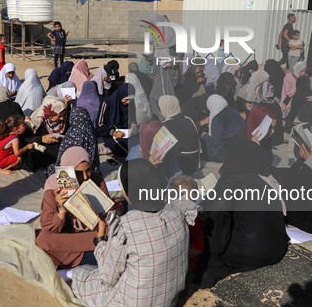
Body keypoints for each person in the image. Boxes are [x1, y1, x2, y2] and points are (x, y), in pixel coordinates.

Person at [72, 158, 197, 307]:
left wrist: (100, 238)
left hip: (130, 302)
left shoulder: (126, 227)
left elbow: (107, 278)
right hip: (168, 300)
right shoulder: (179, 211)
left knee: (81, 274)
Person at [201, 139, 289, 288]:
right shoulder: (264, 181)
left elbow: (217, 234)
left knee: (204, 262)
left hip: (249, 255)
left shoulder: (232, 182)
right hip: (277, 249)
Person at [36, 147, 111, 268]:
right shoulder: (52, 187)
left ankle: (69, 264)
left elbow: (108, 220)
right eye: (79, 173)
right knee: (43, 239)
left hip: (96, 232)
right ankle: (93, 255)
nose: (86, 177)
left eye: (88, 170)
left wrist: (115, 211)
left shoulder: (97, 180)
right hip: (73, 236)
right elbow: (48, 227)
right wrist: (61, 209)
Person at [47, 107, 100, 176]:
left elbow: (63, 156)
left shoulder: (72, 133)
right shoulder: (92, 131)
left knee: (50, 169)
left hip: (73, 172)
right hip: (91, 170)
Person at [21, 96, 68, 171]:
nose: (62, 118)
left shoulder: (65, 121)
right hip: (42, 153)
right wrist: (42, 139)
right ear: (50, 113)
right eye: (59, 116)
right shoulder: (36, 121)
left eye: (64, 115)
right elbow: (26, 139)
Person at [159, 96, 201, 175]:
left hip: (179, 167)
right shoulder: (189, 119)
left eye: (160, 110)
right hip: (193, 165)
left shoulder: (165, 125)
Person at [201, 94, 245, 163]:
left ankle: (211, 158)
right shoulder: (235, 112)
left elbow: (216, 143)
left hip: (226, 153)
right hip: (240, 148)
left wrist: (205, 136)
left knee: (204, 138)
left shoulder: (218, 118)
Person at [97, 84, 134, 158]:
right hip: (110, 134)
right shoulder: (107, 102)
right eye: (126, 99)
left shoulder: (131, 104)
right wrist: (113, 132)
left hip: (127, 133)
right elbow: (100, 125)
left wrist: (133, 124)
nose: (128, 102)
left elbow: (133, 118)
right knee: (125, 150)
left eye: (130, 99)